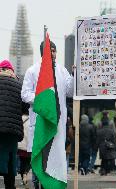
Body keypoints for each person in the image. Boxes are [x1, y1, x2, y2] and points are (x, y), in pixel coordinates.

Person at [21, 41, 74, 189]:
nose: (53, 54)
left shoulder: (62, 71)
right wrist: (43, 102)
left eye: (54, 51)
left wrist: (75, 74)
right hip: (40, 123)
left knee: (55, 160)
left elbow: (70, 91)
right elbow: (25, 95)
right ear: (42, 53)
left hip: (57, 124)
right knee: (40, 159)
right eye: (50, 51)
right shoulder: (32, 71)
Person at [0, 60, 24, 189]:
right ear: (11, 71)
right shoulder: (18, 84)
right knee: (10, 161)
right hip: (12, 130)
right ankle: (10, 186)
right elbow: (25, 107)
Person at [95, 111, 116, 176]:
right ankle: (108, 170)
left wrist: (96, 147)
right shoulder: (111, 130)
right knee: (110, 158)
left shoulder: (99, 130)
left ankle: (103, 170)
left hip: (102, 146)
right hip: (110, 145)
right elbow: (114, 138)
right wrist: (114, 146)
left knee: (104, 159)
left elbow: (97, 139)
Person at [18, 113, 31, 186]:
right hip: (29, 145)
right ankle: (26, 173)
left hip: (21, 145)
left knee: (22, 162)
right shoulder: (31, 119)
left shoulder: (20, 118)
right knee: (29, 161)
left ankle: (23, 178)